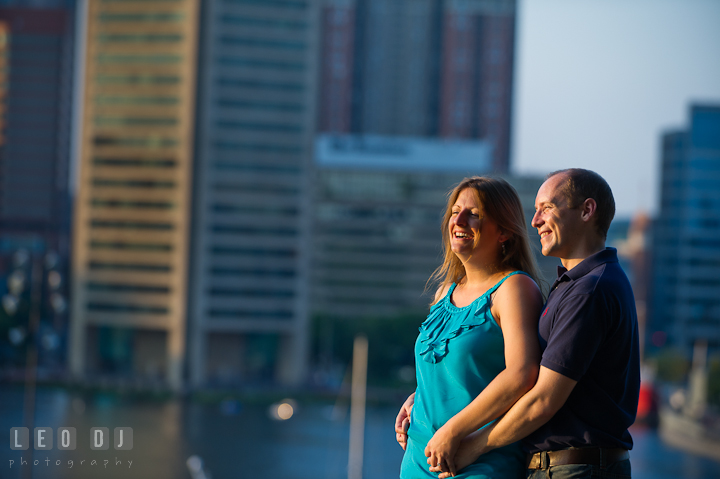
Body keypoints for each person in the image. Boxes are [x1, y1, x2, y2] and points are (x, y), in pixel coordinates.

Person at [431, 169, 641, 479]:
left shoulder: (589, 290)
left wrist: (473, 446)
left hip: (575, 469)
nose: (535, 221)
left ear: (586, 210)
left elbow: (542, 399)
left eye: (547, 208)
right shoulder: (576, 285)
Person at [395, 176, 545, 478]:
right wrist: (416, 398)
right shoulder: (443, 293)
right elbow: (451, 372)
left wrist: (452, 431)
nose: (459, 220)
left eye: (474, 214)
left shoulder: (514, 288)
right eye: (455, 212)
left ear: (503, 231)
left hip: (478, 463)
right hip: (418, 460)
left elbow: (522, 374)